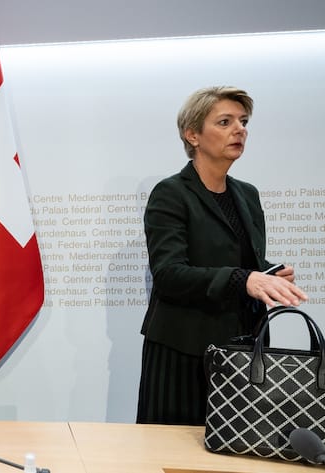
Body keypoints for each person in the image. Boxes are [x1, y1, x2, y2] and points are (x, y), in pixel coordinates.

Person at [136, 86, 308, 425]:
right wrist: (245, 279)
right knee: (174, 455)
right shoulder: (170, 194)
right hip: (182, 351)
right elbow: (169, 274)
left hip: (242, 349)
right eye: (225, 122)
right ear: (193, 134)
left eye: (243, 122)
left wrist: (267, 275)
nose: (239, 130)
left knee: (235, 449)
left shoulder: (247, 194)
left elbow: (239, 261)